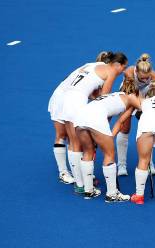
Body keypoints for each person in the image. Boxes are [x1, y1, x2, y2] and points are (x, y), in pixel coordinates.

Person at [59, 52, 128, 194]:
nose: (122, 71)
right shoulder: (112, 71)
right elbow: (104, 99)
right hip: (77, 100)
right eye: (123, 67)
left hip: (65, 98)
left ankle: (81, 184)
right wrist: (101, 126)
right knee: (78, 145)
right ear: (117, 65)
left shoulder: (92, 65)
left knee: (73, 142)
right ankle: (82, 185)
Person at [48, 52, 115, 185]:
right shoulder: (102, 72)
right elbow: (99, 98)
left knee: (74, 138)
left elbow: (93, 95)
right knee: (63, 136)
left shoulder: (90, 67)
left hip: (68, 98)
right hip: (62, 97)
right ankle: (64, 172)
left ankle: (80, 174)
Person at [76, 79, 141, 202]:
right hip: (95, 118)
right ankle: (112, 194)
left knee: (87, 152)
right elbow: (142, 109)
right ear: (135, 93)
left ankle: (88, 190)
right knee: (109, 154)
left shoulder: (112, 96)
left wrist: (109, 137)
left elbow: (111, 120)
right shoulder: (132, 97)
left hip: (80, 117)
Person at [116, 54, 155, 177]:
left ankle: (149, 163)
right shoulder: (129, 72)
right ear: (136, 72)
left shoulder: (153, 75)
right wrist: (142, 102)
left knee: (147, 129)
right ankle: (121, 165)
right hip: (128, 93)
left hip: (145, 94)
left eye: (147, 78)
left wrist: (153, 92)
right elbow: (134, 93)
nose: (145, 80)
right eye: (142, 78)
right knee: (125, 128)